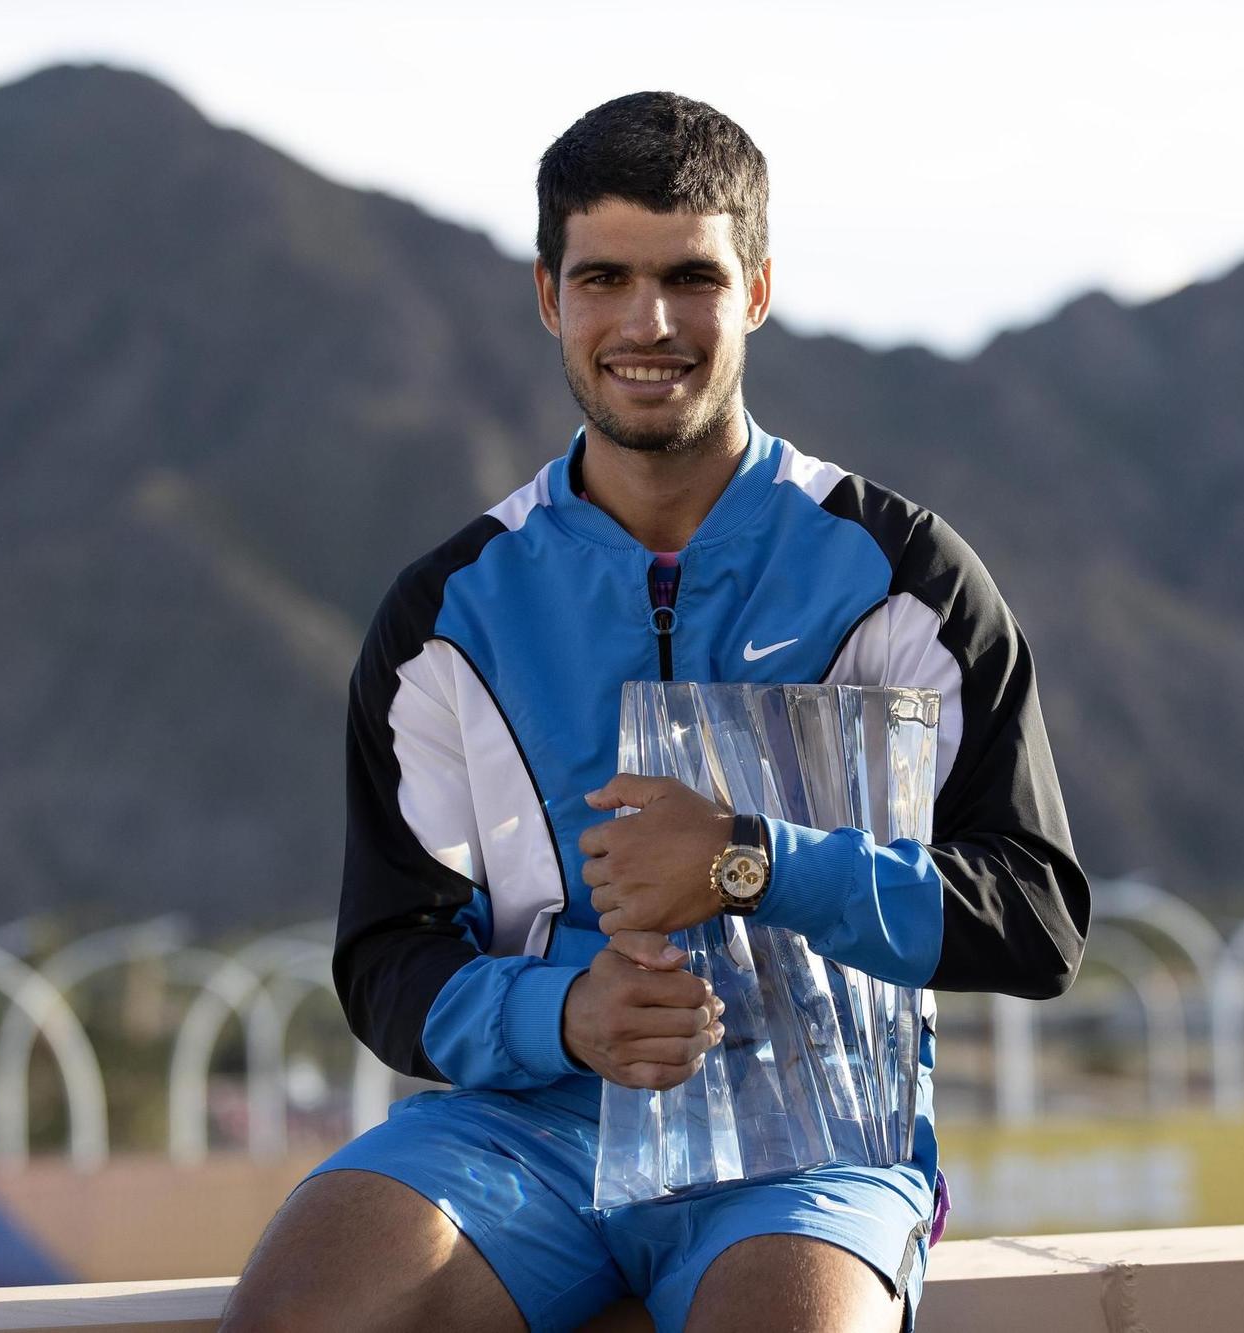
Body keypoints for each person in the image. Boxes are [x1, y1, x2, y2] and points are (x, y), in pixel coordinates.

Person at [220, 91, 1088, 1333]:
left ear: (758, 288)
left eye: (691, 276)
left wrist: (750, 861)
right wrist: (559, 1016)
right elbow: (385, 958)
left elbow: (1036, 915)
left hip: (809, 1148)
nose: (649, 323)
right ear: (547, 296)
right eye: (604, 278)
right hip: (524, 1128)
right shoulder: (446, 615)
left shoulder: (902, 575)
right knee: (299, 1313)